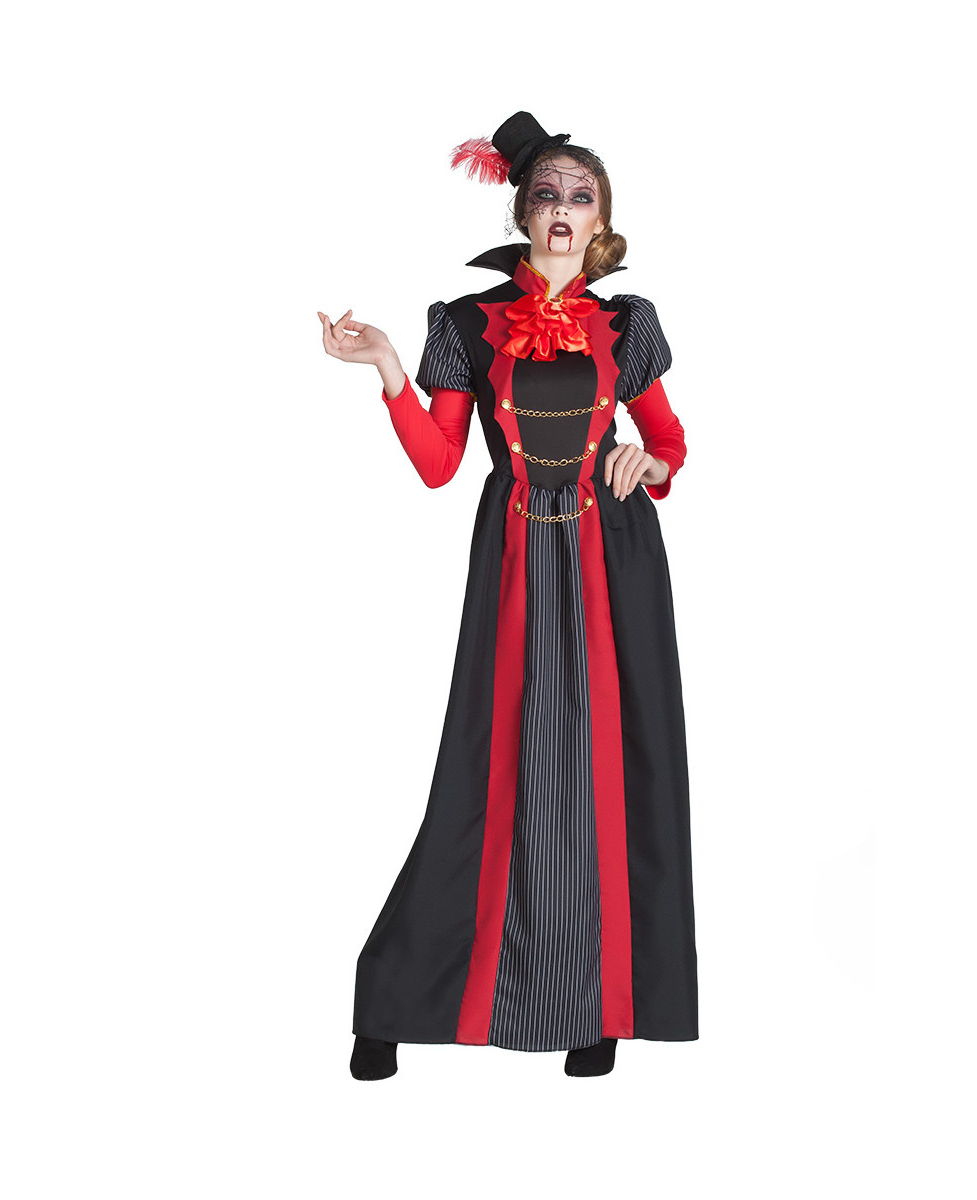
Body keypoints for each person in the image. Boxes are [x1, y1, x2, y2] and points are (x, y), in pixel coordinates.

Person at [316, 112, 696, 1081]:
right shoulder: (467, 324)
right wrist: (389, 370)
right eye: (547, 192)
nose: (563, 207)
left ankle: (598, 1009)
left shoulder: (627, 325)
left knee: (611, 776)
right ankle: (396, 1003)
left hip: (615, 560)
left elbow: (668, 443)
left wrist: (646, 461)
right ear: (522, 212)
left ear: (601, 219)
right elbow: (439, 464)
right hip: (517, 552)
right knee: (487, 775)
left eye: (581, 194)